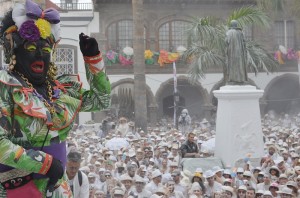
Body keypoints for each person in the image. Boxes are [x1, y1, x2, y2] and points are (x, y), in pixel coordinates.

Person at [0, 0, 111, 197]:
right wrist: (45, 163)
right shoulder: (6, 87)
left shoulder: (61, 89)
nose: (40, 57)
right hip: (15, 189)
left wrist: (94, 60)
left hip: (58, 189)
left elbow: (100, 100)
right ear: (14, 51)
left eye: (45, 51)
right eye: (32, 50)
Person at [225, 20, 248, 84]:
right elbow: (244, 43)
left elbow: (226, 41)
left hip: (232, 53)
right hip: (240, 53)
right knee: (240, 65)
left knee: (233, 65)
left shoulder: (229, 32)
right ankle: (241, 79)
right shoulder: (241, 33)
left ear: (231, 25)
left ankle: (233, 79)